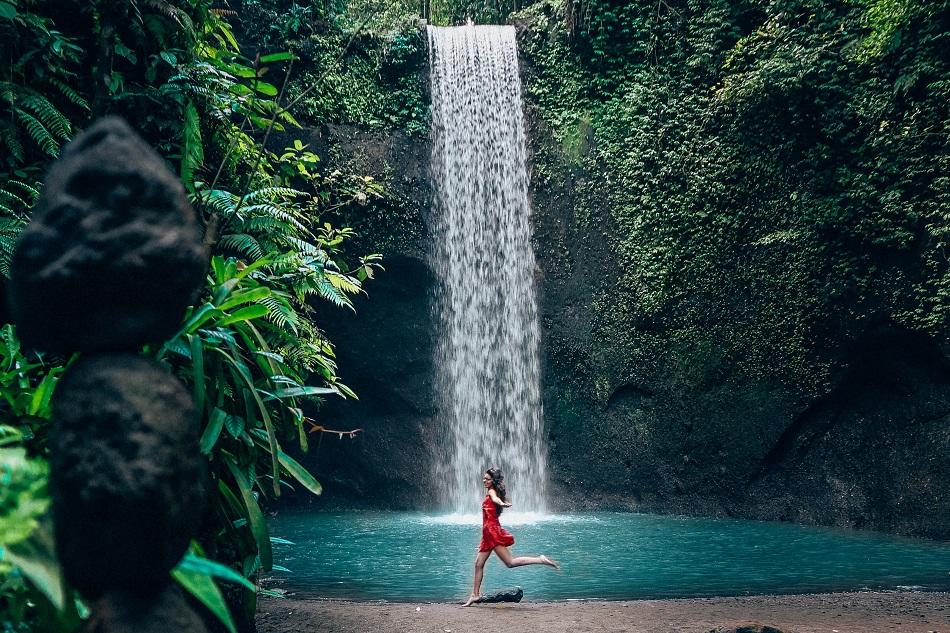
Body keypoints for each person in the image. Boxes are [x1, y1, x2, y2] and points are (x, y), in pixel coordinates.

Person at [462, 467, 559, 606]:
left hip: (492, 533)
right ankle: (475, 595)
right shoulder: (491, 491)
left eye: (487, 479)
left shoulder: (491, 492)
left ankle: (540, 560)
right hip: (488, 534)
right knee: (478, 564)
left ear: (493, 481)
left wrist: (501, 503)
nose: (484, 480)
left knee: (510, 562)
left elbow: (495, 499)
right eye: (483, 478)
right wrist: (483, 540)